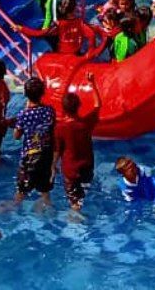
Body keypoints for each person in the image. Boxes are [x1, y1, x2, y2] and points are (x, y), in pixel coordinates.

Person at [54, 76, 101, 212]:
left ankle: (76, 220)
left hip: (71, 171)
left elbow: (57, 151)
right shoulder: (86, 123)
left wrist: (52, 166)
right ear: (79, 106)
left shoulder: (60, 128)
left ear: (63, 109)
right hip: (87, 167)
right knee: (84, 195)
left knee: (75, 203)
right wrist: (92, 83)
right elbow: (98, 105)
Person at [10, 77, 56, 206]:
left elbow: (16, 136)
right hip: (46, 156)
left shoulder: (23, 115)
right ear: (42, 93)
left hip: (30, 158)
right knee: (45, 191)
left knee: (21, 191)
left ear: (25, 94)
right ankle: (48, 208)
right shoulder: (49, 111)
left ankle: (12, 207)